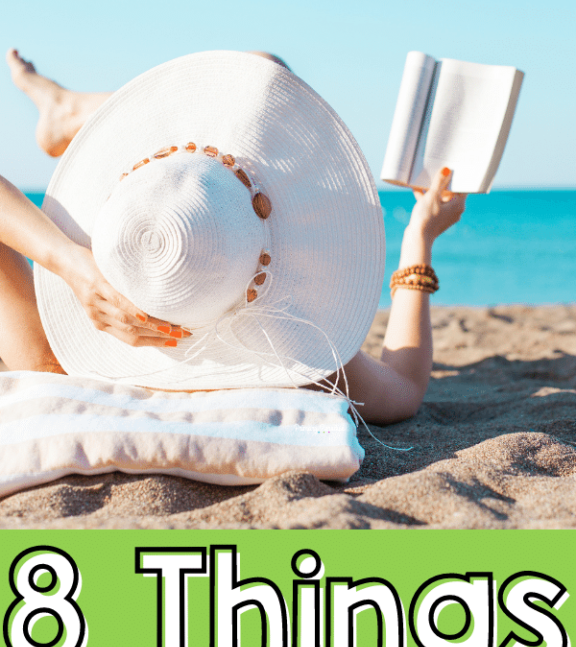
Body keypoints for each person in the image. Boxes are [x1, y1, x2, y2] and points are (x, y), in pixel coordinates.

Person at [1, 48, 465, 425]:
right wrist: (419, 237)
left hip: (76, 332)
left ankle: (72, 112)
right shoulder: (289, 354)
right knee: (264, 72)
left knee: (261, 75)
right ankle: (73, 112)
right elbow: (403, 390)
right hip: (108, 301)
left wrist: (70, 262)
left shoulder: (58, 374)